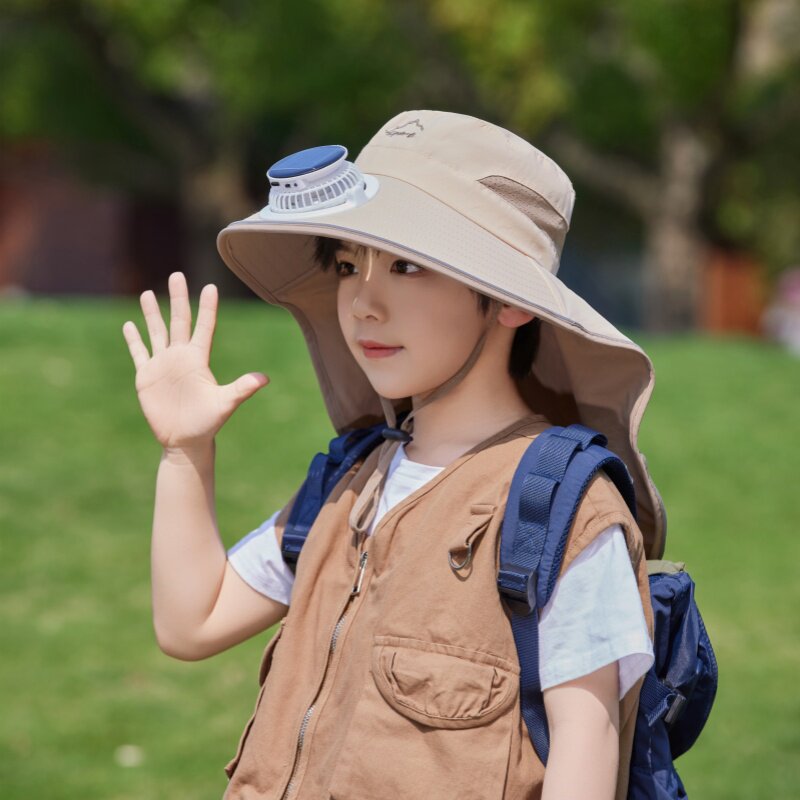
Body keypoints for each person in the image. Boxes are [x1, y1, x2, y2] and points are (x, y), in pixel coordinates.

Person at [122, 110, 665, 800]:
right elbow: (191, 622)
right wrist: (186, 451)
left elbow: (589, 748)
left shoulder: (562, 510)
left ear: (511, 301)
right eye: (348, 265)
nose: (363, 304)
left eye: (408, 265)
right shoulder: (349, 482)